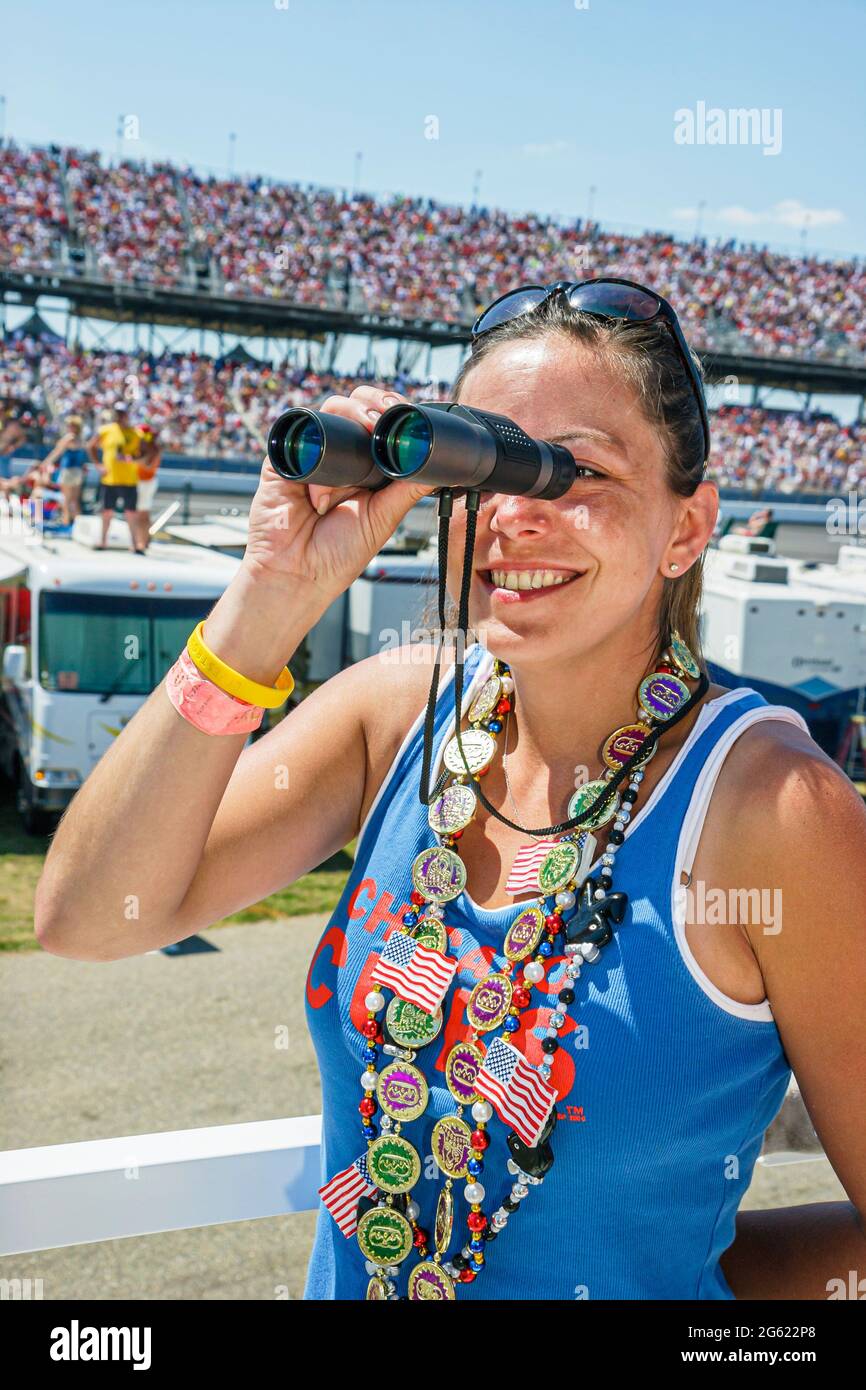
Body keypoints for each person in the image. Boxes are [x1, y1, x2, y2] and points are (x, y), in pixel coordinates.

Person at [33, 280, 866, 1302]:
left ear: (686, 528)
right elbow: (88, 915)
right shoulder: (393, 717)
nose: (512, 514)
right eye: (482, 464)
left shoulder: (774, 814)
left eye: (576, 470)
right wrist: (270, 594)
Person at [86, 400, 142, 552]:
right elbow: (90, 446)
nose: (120, 417)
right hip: (109, 479)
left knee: (130, 512)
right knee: (106, 511)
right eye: (118, 414)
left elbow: (143, 454)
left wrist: (132, 459)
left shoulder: (136, 433)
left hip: (129, 479)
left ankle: (135, 544)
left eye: (122, 414)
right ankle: (103, 541)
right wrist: (98, 465)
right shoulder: (105, 430)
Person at [35, 414, 86, 525]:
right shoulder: (81, 439)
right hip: (78, 472)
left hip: (68, 472)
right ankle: (80, 526)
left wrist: (45, 463)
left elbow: (56, 452)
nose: (67, 427)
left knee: (66, 500)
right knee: (74, 501)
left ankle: (66, 523)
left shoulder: (69, 437)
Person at [131, 422, 161, 552]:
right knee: (141, 514)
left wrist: (131, 460)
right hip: (140, 482)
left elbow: (148, 465)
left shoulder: (153, 449)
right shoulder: (140, 447)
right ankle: (143, 540)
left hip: (146, 483)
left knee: (142, 514)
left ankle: (141, 542)